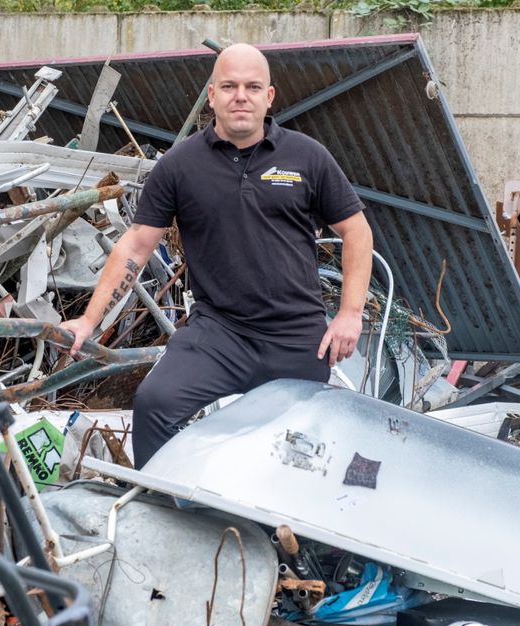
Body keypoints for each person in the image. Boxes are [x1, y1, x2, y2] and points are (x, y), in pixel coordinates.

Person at [60, 43, 373, 468]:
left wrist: (349, 313)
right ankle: (174, 511)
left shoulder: (306, 157)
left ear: (269, 96)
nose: (240, 96)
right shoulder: (179, 165)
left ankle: (269, 528)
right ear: (212, 96)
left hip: (296, 336)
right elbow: (136, 244)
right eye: (229, 86)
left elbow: (356, 231)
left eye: (251, 86)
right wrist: (89, 320)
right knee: (155, 403)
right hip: (219, 334)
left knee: (301, 449)